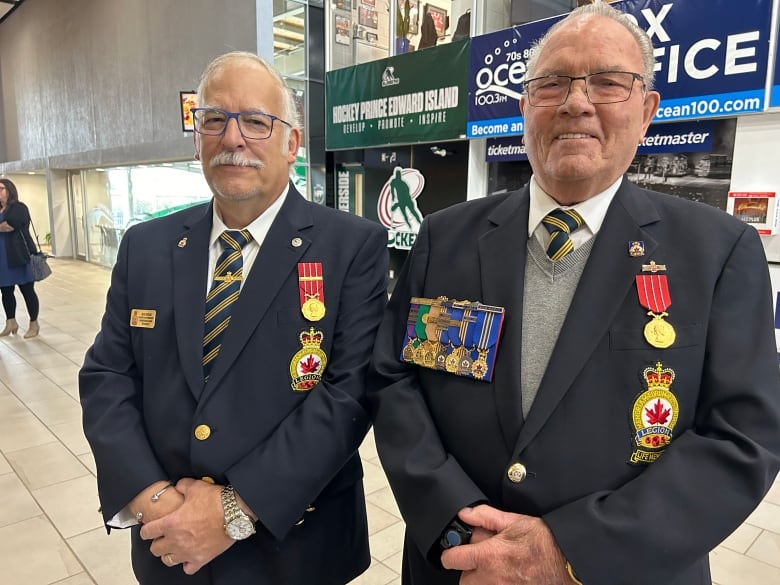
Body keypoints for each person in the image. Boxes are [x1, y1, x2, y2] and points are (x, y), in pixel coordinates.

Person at [367, 4, 780, 585]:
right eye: (552, 83)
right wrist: (458, 527)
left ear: (647, 112)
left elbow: (741, 440)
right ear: (525, 108)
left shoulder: (718, 252)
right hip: (456, 565)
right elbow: (394, 382)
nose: (575, 102)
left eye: (609, 82)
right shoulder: (445, 236)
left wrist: (567, 551)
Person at [79, 51, 389, 585]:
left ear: (292, 143)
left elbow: (346, 395)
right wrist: (152, 499)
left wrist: (234, 508)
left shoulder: (351, 245)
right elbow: (107, 376)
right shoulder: (145, 246)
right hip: (170, 543)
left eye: (255, 121)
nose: (232, 138)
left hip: (294, 546)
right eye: (214, 120)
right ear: (197, 137)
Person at [0, 178, 41, 339]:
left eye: (1, 188)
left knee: (27, 291)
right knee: (5, 291)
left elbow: (10, 226)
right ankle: (11, 322)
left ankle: (34, 324)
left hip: (18, 256)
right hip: (2, 260)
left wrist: (4, 227)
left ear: (10, 190)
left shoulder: (18, 207)